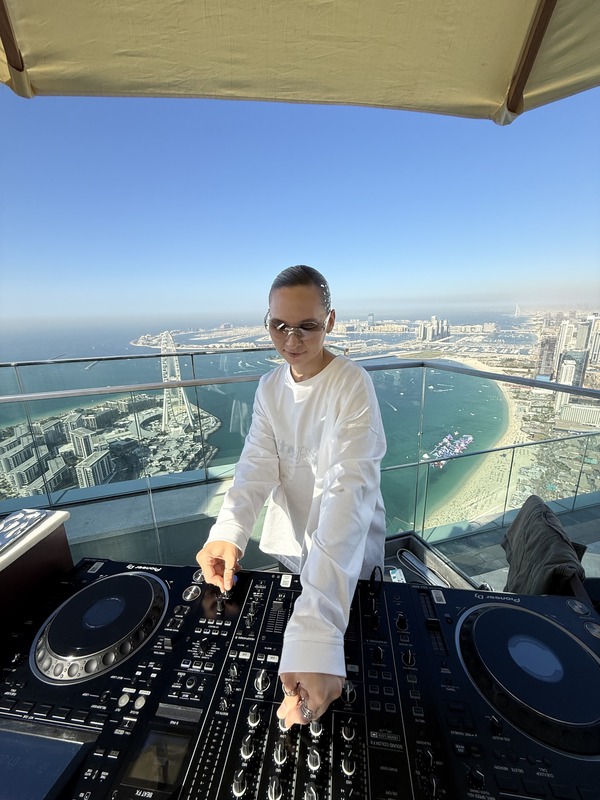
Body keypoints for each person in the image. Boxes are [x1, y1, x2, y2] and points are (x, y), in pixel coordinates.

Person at [196, 265, 386, 727]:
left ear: (331, 321)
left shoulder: (351, 384)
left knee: (359, 646)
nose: (291, 340)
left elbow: (348, 492)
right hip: (294, 548)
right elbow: (257, 463)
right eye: (279, 325)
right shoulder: (269, 387)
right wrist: (229, 531)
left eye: (307, 326)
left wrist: (317, 638)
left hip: (347, 556)